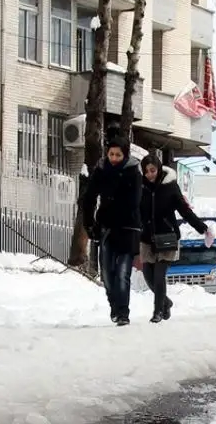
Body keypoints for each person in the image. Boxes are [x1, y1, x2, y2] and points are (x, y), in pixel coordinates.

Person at [138, 154, 208, 323]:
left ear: (159, 168)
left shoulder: (170, 186)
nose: (150, 174)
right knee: (148, 275)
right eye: (146, 171)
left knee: (159, 275)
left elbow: (185, 210)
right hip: (147, 237)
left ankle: (157, 312)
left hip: (167, 236)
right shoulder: (140, 186)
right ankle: (166, 302)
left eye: (153, 170)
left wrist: (202, 227)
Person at [81, 135, 142, 326]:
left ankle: (123, 313)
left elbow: (134, 201)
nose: (114, 158)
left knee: (122, 273)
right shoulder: (101, 170)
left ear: (125, 155)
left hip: (127, 228)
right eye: (111, 154)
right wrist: (89, 223)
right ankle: (114, 307)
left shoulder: (133, 172)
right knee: (107, 274)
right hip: (106, 229)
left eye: (118, 155)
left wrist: (113, 207)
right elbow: (89, 198)